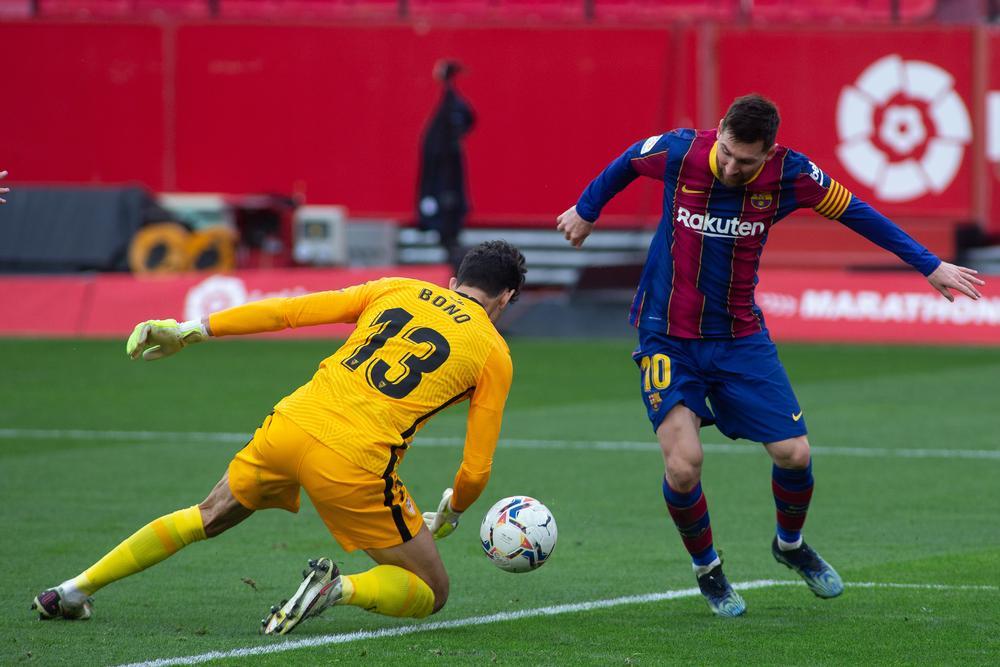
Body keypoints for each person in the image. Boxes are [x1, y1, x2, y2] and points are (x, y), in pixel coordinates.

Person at [556, 94, 984, 618]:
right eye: (730, 154)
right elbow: (626, 160)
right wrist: (586, 208)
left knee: (795, 454)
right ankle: (708, 570)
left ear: (770, 151)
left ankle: (789, 546)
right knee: (685, 465)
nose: (734, 168)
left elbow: (858, 214)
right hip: (665, 334)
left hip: (739, 337)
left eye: (747, 161)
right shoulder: (679, 153)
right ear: (719, 132)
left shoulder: (793, 175)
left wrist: (927, 264)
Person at [32, 240, 527, 635]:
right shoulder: (493, 352)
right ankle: (336, 590)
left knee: (206, 515)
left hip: (289, 424)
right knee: (431, 590)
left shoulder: (398, 288)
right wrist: (456, 512)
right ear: (504, 299)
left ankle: (71, 591)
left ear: (454, 280)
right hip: (354, 462)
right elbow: (476, 469)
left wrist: (187, 330)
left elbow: (289, 312)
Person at [417, 59, 476, 273]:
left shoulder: (445, 127)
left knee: (448, 228)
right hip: (444, 194)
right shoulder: (442, 132)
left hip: (446, 194)